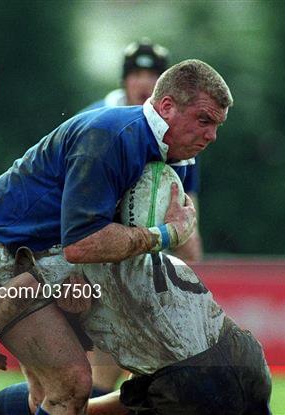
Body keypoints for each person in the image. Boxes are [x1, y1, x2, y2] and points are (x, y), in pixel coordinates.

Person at [0, 59, 232, 415]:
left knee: (51, 392)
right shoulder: (112, 137)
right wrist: (162, 234)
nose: (211, 135)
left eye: (216, 125)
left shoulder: (165, 152)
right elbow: (82, 244)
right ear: (166, 107)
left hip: (39, 255)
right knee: (71, 384)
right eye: (204, 120)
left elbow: (174, 247)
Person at [0, 168, 271, 415]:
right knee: (84, 400)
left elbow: (17, 292)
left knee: (67, 396)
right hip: (243, 355)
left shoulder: (88, 252)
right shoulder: (157, 253)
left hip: (185, 380)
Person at [81, 39, 203, 263]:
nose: (145, 83)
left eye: (153, 75)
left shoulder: (178, 136)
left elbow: (189, 211)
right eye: (136, 74)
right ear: (124, 81)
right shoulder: (95, 124)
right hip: (93, 248)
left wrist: (189, 251)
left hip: (151, 254)